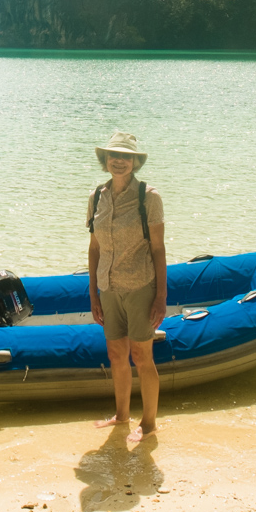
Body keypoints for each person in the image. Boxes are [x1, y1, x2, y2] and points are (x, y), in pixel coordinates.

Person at [87, 131, 166, 443]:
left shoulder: (149, 197)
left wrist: (161, 295)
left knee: (142, 355)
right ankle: (121, 416)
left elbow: (158, 249)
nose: (118, 161)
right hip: (108, 287)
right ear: (106, 161)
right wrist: (93, 293)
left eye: (125, 157)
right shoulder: (97, 197)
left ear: (135, 162)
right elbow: (94, 248)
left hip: (140, 285)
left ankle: (148, 424)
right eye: (113, 156)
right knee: (116, 354)